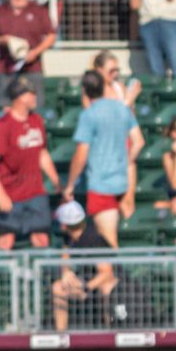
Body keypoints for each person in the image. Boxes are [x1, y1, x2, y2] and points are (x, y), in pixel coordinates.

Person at [64, 68, 139, 246]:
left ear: (84, 90)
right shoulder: (122, 109)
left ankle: (114, 274)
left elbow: (81, 154)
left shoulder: (89, 114)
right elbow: (138, 142)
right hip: (123, 180)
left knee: (108, 240)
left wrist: (70, 185)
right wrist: (125, 163)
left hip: (101, 184)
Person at [0, 79, 61, 250]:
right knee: (6, 239)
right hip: (10, 193)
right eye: (30, 93)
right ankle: (4, 275)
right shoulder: (3, 126)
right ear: (19, 97)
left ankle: (43, 276)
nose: (34, 97)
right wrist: (0, 193)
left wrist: (55, 178)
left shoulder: (36, 120)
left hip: (35, 191)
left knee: (41, 238)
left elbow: (42, 152)